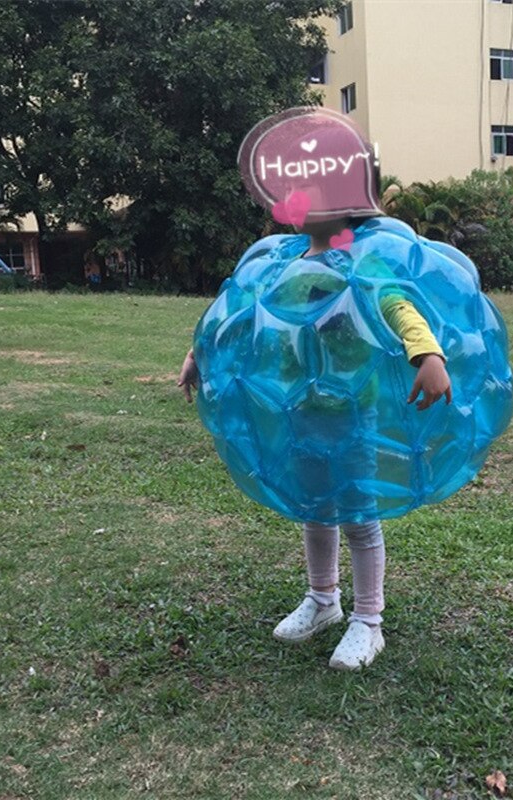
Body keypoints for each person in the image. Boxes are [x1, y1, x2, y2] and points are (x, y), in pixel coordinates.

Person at [178, 212, 452, 670]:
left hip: (350, 413)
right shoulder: (282, 260)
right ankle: (323, 599)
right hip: (297, 410)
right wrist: (197, 354)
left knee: (358, 515)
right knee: (316, 508)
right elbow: (238, 314)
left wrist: (427, 352)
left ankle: (369, 620)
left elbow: (397, 304)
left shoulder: (361, 260)